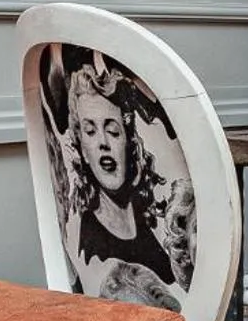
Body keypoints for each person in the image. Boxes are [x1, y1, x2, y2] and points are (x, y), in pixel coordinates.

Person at [47, 54, 191, 306]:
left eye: (112, 130)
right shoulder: (91, 249)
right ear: (81, 146)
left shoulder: (150, 227)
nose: (103, 142)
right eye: (90, 131)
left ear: (129, 140)